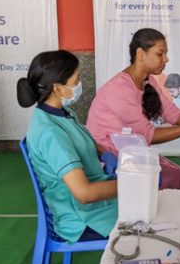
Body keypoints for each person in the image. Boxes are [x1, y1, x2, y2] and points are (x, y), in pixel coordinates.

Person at [17, 50, 117, 243]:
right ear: (57, 88)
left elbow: (84, 141)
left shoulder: (62, 114)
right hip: (82, 218)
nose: (80, 84)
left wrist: (105, 154)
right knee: (152, 216)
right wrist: (132, 184)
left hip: (94, 206)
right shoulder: (51, 133)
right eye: (76, 79)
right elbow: (84, 193)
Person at [87, 28, 180, 189]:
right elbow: (146, 135)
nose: (166, 59)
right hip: (111, 160)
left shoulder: (147, 80)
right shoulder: (120, 89)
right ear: (141, 54)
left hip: (131, 154)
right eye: (160, 54)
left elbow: (172, 114)